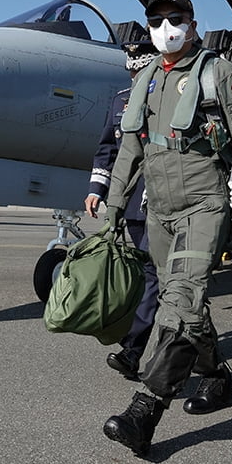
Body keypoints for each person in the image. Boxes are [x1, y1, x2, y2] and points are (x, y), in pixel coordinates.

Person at [100, 0, 232, 457]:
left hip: (203, 205)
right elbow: (130, 150)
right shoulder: (147, 81)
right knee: (189, 304)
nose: (165, 29)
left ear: (193, 22)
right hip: (158, 210)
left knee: (177, 305)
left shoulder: (218, 74)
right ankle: (217, 377)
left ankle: (145, 411)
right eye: (156, 21)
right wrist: (114, 205)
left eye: (174, 18)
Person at [84, 40, 161, 379]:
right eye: (131, 69)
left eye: (139, 68)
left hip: (163, 202)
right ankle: (203, 349)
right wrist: (96, 190)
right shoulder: (120, 101)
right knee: (149, 276)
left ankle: (133, 349)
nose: (134, 74)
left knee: (155, 276)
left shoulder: (169, 96)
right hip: (131, 204)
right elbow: (107, 152)